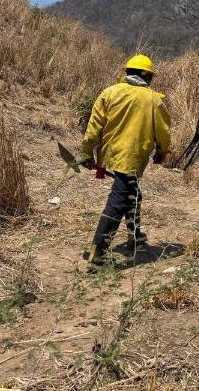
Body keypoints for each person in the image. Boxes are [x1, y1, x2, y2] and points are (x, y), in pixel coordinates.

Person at [81, 54, 171, 267]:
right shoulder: (152, 99)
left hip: (110, 154)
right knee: (119, 200)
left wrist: (86, 153)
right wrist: (162, 151)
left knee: (134, 193)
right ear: (144, 74)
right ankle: (98, 252)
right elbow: (164, 132)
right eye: (150, 76)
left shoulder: (109, 93)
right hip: (130, 157)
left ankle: (134, 237)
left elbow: (93, 127)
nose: (150, 81)